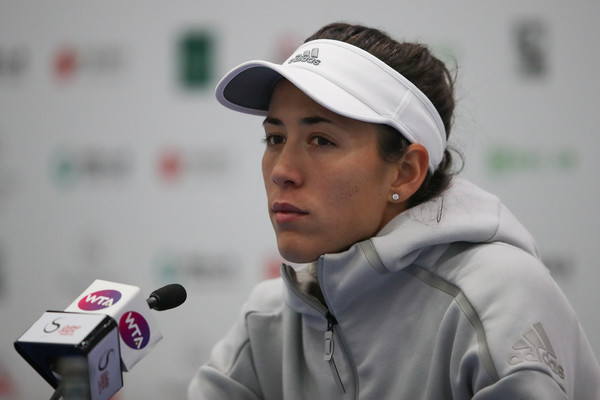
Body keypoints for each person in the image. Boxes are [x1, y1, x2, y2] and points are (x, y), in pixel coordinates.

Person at [188, 22, 600, 399]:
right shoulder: (270, 316)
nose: (282, 171)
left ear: (405, 172)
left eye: (321, 140)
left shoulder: (499, 299)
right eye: (275, 138)